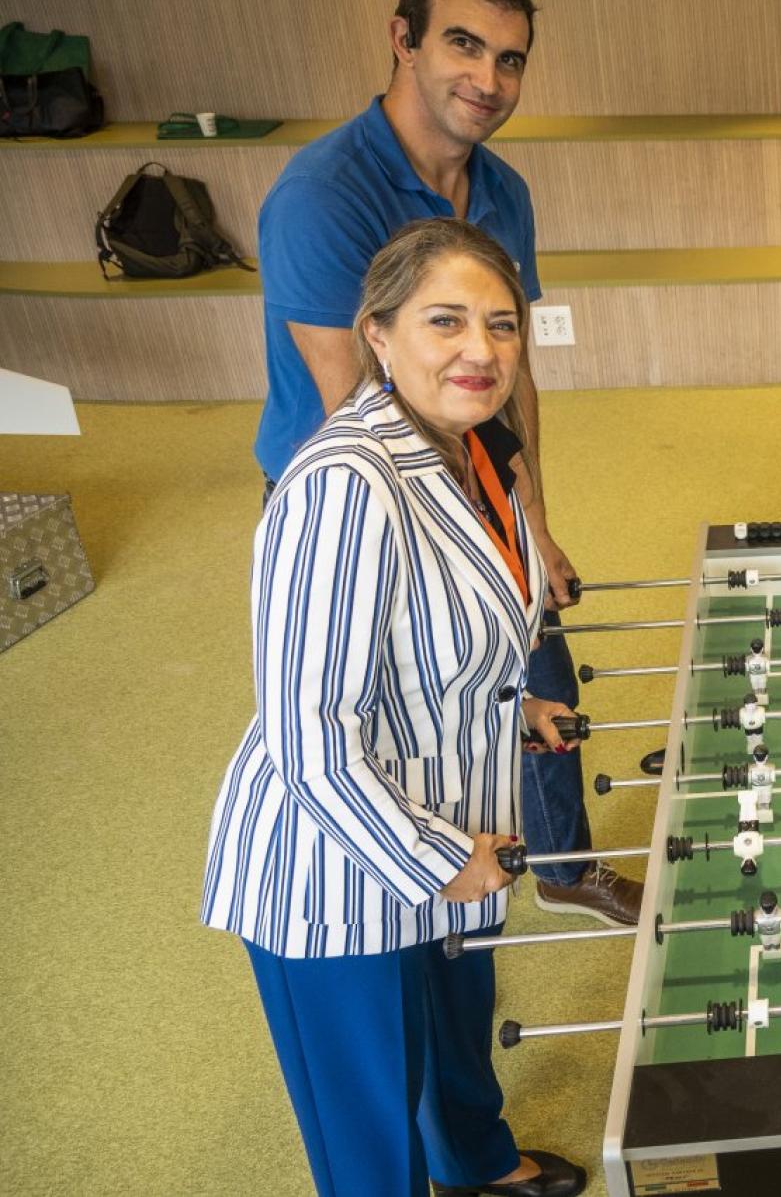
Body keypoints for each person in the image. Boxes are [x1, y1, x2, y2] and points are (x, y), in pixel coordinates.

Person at [251, 0, 637, 926]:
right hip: (366, 498)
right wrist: (485, 558)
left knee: (531, 670)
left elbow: (512, 374)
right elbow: (362, 402)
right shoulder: (320, 195)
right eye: (463, 45)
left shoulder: (503, 190)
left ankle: (559, 863)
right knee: (407, 719)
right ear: (402, 40)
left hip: (480, 478)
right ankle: (420, 886)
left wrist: (532, 525)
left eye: (510, 59)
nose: (488, 80)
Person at [202, 219, 587, 1197]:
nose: (482, 350)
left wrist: (522, 704)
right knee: (373, 1142)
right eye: (446, 320)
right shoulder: (343, 484)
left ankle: (477, 1165)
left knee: (456, 1044)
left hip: (451, 822)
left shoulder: (474, 449)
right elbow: (309, 740)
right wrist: (440, 859)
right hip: (335, 870)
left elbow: (446, 637)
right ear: (378, 335)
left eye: (502, 326)